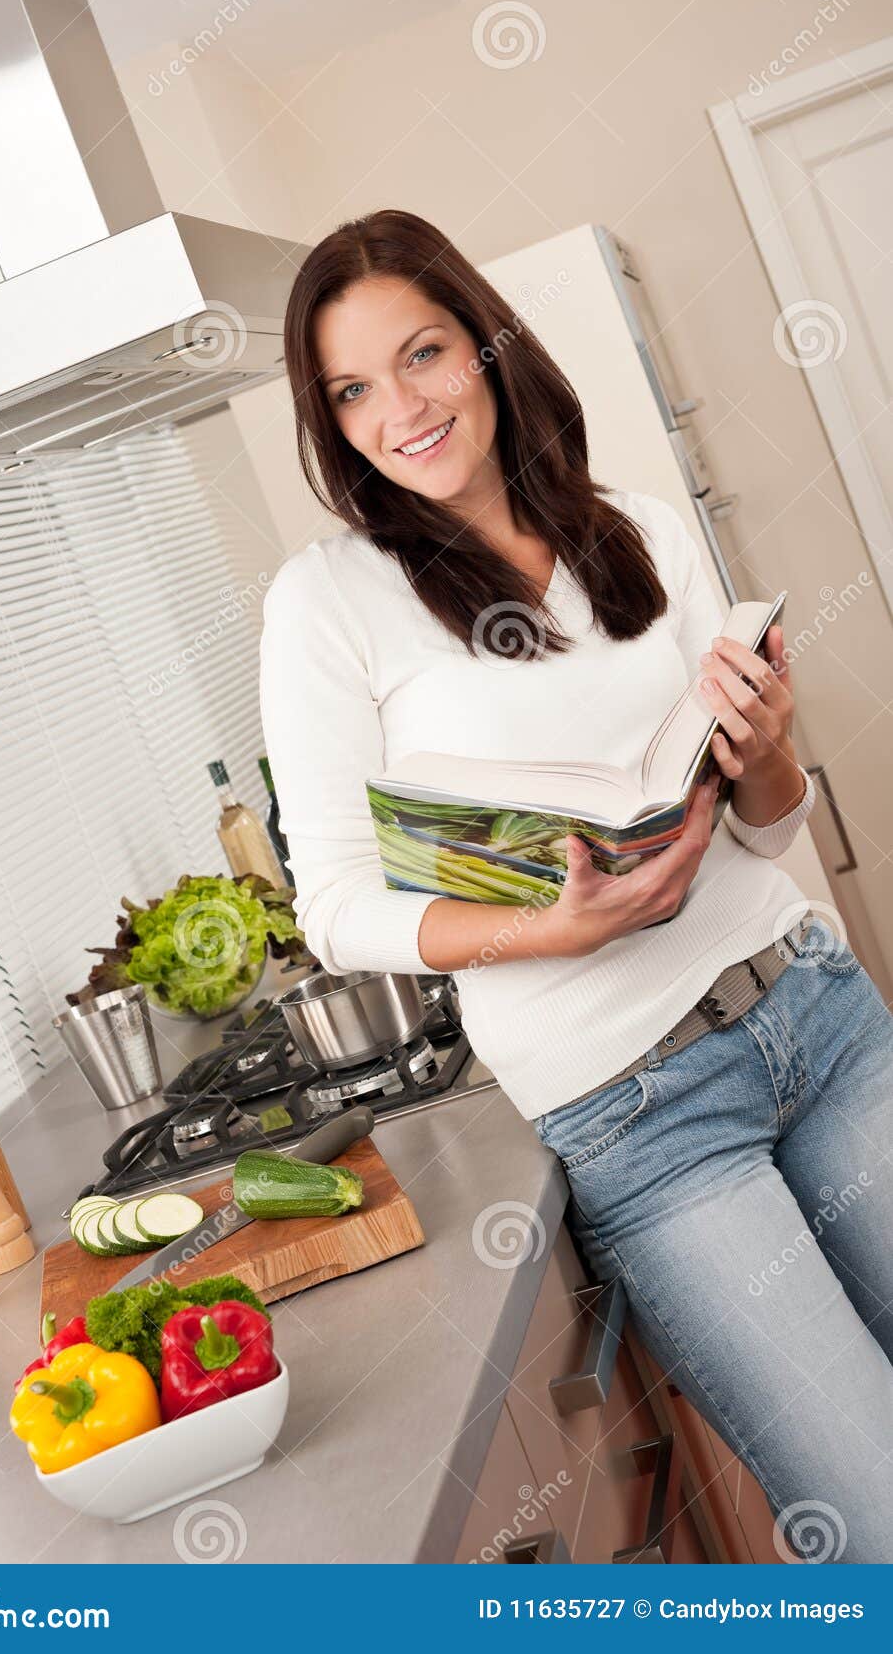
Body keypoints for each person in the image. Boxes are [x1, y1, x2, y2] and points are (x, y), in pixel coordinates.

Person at [258, 209, 893, 1563]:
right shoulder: (328, 601)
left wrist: (772, 751)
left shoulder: (641, 528)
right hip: (646, 1117)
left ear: (487, 347)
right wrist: (552, 924)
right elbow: (334, 903)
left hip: (822, 1016)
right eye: (350, 391)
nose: (398, 409)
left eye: (422, 353)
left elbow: (769, 832)